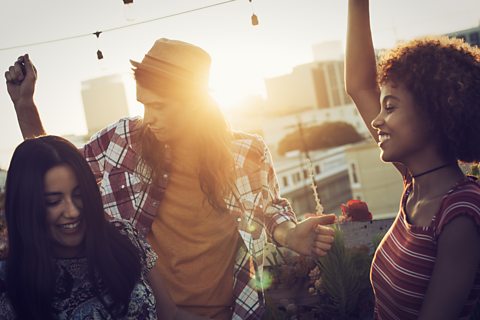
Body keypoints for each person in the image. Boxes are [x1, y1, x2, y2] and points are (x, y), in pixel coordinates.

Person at [5, 38, 336, 319]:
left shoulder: (246, 153)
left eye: (161, 106)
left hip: (230, 311)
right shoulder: (123, 141)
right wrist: (24, 105)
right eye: (145, 105)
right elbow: (58, 170)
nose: (150, 119)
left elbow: (265, 208)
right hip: (145, 311)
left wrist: (290, 234)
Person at [345, 1, 480, 319]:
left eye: (389, 107)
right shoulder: (414, 182)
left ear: (435, 113)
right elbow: (358, 86)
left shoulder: (460, 214)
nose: (376, 121)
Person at [0, 135, 194, 319]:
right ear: (25, 208)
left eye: (79, 194)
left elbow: (171, 315)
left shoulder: (124, 237)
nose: (73, 211)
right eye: (53, 201)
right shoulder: (9, 283)